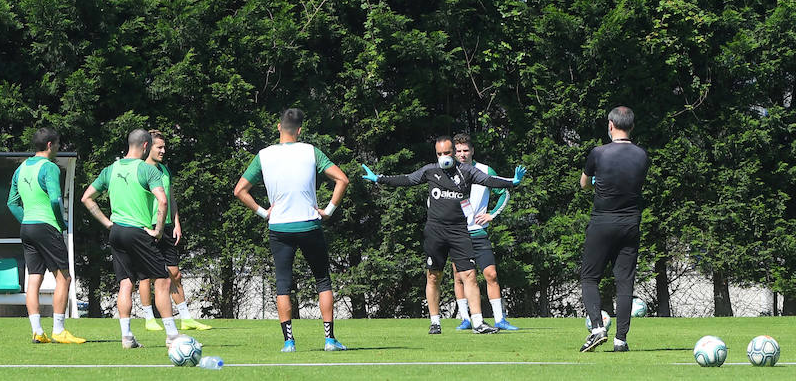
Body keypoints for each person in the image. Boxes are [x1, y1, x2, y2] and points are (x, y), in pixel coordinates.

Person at [362, 135, 526, 335]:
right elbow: (407, 179)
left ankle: (478, 323)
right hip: (435, 231)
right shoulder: (430, 171)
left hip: (459, 231)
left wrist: (512, 182)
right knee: (433, 276)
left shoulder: (466, 171)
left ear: (454, 153)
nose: (444, 157)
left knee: (469, 275)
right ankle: (435, 322)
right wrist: (379, 178)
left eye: (447, 153)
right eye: (440, 154)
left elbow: (489, 180)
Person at [233, 109, 351, 352]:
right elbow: (343, 180)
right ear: (300, 130)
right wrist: (328, 209)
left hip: (279, 227)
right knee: (322, 280)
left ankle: (289, 342)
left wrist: (263, 212)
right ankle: (329, 340)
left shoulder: (264, 155)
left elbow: (239, 191)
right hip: (309, 224)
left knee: (283, 283)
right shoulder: (311, 151)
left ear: (279, 127)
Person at [81, 129, 179, 349]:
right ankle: (172, 335)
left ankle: (126, 337)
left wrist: (107, 223)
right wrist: (159, 231)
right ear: (146, 146)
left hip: (116, 232)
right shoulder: (147, 170)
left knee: (126, 282)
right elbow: (163, 202)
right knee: (162, 281)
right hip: (139, 231)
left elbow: (87, 198)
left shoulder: (110, 169)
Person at [578, 107, 649, 352]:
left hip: (603, 222)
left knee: (589, 277)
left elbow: (584, 184)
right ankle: (621, 340)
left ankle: (597, 328)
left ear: (610, 125)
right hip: (631, 224)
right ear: (632, 126)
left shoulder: (598, 153)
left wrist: (596, 182)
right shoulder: (642, 155)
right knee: (625, 282)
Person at [7, 128, 84, 344]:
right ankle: (59, 330)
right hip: (46, 226)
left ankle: (37, 331)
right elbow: (54, 200)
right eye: (58, 144)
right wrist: (61, 223)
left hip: (28, 228)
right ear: (50, 145)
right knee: (64, 277)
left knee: (34, 279)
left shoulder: (20, 168)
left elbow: (12, 203)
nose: (59, 148)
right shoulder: (50, 167)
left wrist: (27, 220)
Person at [138, 131, 211, 332]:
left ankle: (186, 318)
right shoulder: (141, 169)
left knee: (175, 274)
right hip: (147, 226)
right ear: (147, 147)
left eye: (164, 147)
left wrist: (176, 222)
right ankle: (149, 318)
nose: (163, 150)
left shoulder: (164, 170)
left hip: (167, 226)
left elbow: (170, 198)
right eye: (158, 147)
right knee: (146, 276)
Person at [449, 133, 518, 331]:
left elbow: (503, 192)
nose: (462, 154)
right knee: (459, 276)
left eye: (465, 150)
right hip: (457, 233)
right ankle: (465, 318)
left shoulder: (485, 170)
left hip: (479, 232)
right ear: (454, 153)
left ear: (472, 151)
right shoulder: (448, 173)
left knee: (491, 274)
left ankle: (500, 319)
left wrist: (492, 215)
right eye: (458, 151)